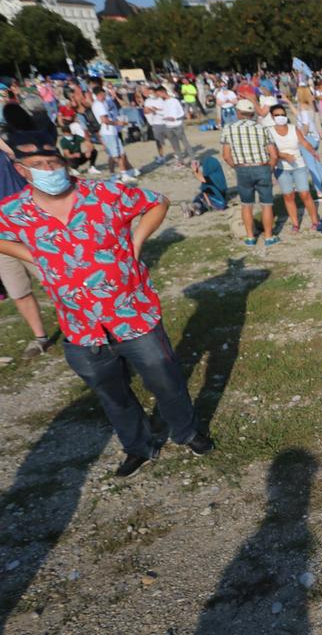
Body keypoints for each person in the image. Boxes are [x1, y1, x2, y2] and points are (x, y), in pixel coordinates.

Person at [0, 132, 212, 477]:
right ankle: (138, 446)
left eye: (54, 162)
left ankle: (186, 432)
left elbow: (157, 202)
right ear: (21, 170)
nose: (49, 169)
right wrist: (32, 255)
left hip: (133, 312)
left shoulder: (105, 192)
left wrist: (136, 241)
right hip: (81, 327)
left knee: (166, 380)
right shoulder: (14, 211)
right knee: (112, 394)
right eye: (39, 165)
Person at [220, 99, 280, 247]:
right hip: (262, 167)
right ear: (253, 113)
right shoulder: (262, 128)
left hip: (243, 168)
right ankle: (268, 236)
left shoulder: (229, 128)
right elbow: (274, 154)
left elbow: (226, 156)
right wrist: (270, 168)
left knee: (246, 205)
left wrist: (238, 167)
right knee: (266, 204)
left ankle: (250, 237)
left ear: (238, 113)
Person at [268, 104, 321, 233]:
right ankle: (295, 223)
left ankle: (315, 220)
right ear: (271, 116)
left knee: (305, 194)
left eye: (282, 114)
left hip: (299, 165)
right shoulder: (269, 131)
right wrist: (283, 155)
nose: (280, 117)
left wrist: (313, 152)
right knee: (288, 196)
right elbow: (270, 150)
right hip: (281, 168)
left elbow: (304, 142)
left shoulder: (293, 128)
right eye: (277, 115)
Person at [90, 87, 136, 184]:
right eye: (103, 95)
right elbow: (104, 120)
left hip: (111, 132)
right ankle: (120, 175)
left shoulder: (101, 103)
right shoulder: (99, 105)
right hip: (108, 132)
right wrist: (117, 123)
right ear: (99, 95)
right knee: (116, 155)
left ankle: (121, 174)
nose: (104, 96)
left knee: (119, 154)